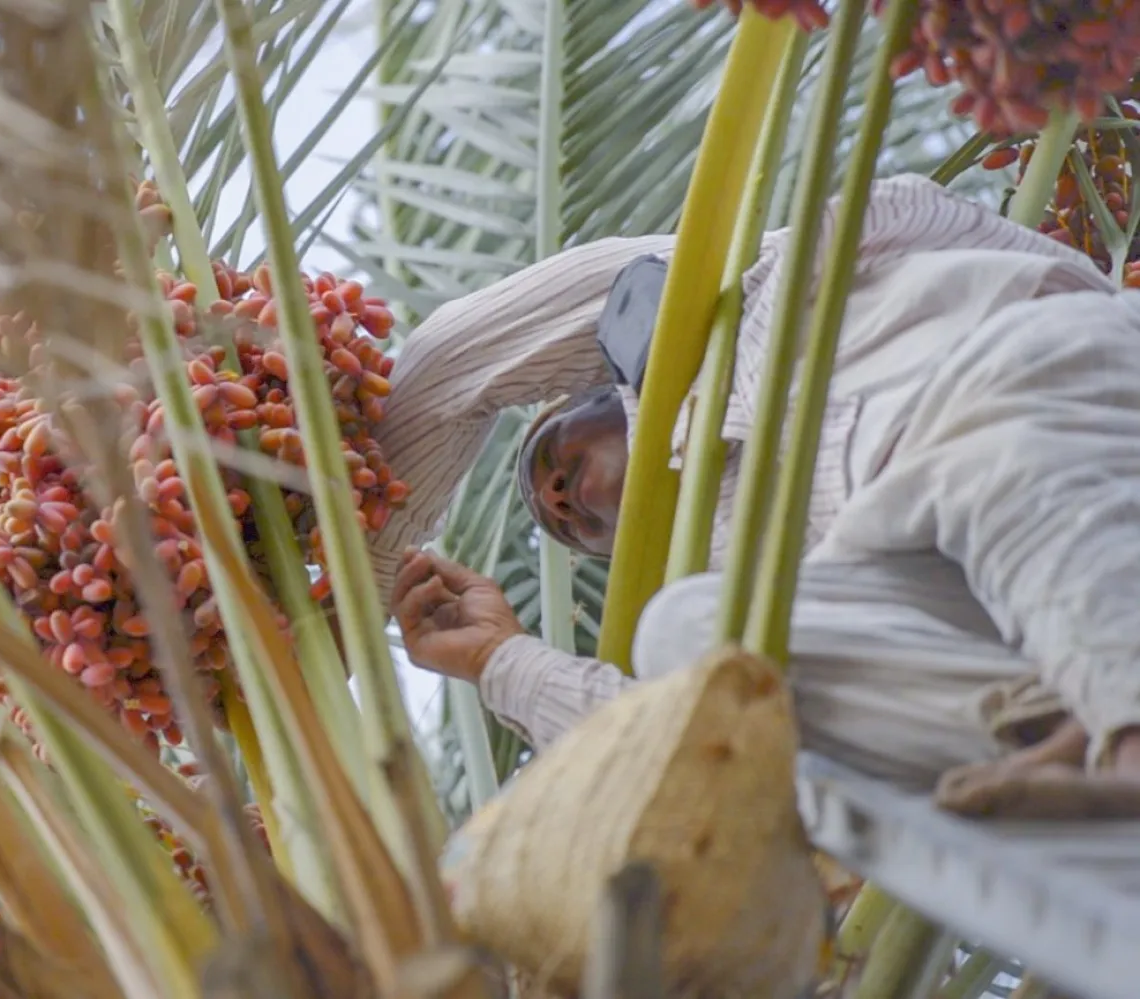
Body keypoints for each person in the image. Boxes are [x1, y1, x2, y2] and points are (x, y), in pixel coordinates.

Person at [369, 173, 1140, 821]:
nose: (559, 499)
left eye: (555, 456)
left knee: (978, 436)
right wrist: (501, 661)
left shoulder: (767, 301)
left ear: (607, 387)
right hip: (987, 615)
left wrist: (344, 596)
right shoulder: (764, 575)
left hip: (1066, 407)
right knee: (686, 635)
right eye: (565, 528)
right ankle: (1069, 730)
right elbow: (684, 748)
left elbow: (452, 360)